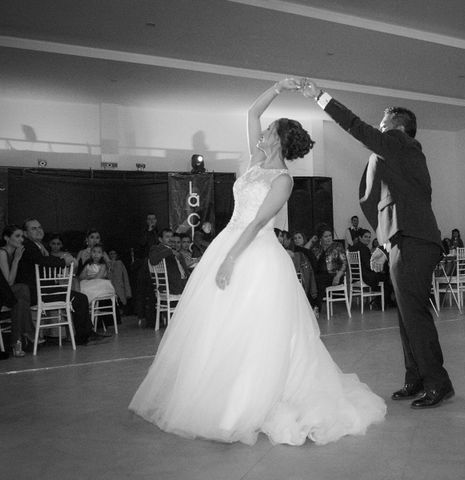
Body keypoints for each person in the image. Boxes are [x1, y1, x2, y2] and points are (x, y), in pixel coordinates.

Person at [129, 78, 386, 445]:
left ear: (279, 140)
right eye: (264, 131)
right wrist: (279, 87)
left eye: (268, 132)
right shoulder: (254, 162)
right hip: (229, 242)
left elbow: (258, 222)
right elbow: (252, 111)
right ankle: (221, 395)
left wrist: (230, 258)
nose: (262, 133)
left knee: (254, 327)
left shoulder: (282, 180)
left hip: (255, 253)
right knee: (220, 324)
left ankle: (251, 400)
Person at [301, 78, 453, 409]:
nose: (380, 130)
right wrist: (383, 246)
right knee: (406, 316)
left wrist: (321, 97)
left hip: (414, 240)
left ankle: (438, 383)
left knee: (415, 315)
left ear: (398, 127)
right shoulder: (393, 158)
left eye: (384, 125)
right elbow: (377, 202)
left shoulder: (401, 144)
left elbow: (356, 127)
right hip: (404, 239)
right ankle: (415, 378)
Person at [16, 218, 108, 345]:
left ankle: (85, 334)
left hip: (44, 289)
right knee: (80, 299)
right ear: (25, 233)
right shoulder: (28, 246)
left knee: (79, 297)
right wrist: (63, 261)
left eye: (40, 227)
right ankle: (84, 336)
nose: (38, 230)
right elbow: (42, 261)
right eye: (33, 228)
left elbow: (43, 261)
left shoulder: (38, 246)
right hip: (38, 292)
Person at [0, 225, 35, 357]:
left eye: (22, 236)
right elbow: (9, 282)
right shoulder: (2, 253)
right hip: (2, 293)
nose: (21, 239)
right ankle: (28, 331)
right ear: (6, 238)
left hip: (9, 294)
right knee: (22, 288)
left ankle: (17, 343)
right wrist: (16, 260)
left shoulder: (15, 253)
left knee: (19, 300)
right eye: (17, 236)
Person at [311, 227, 347, 313]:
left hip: (335, 275)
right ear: (320, 238)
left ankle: (316, 308)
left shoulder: (337, 246)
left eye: (330, 235)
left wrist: (338, 276)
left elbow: (344, 263)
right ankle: (313, 307)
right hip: (320, 276)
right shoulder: (316, 248)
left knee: (318, 281)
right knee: (312, 280)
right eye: (325, 236)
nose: (329, 238)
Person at [148, 229, 189, 295]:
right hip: (171, 286)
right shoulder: (156, 248)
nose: (170, 239)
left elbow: (185, 271)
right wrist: (170, 251)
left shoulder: (176, 251)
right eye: (167, 237)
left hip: (183, 283)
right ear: (160, 239)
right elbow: (153, 260)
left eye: (171, 236)